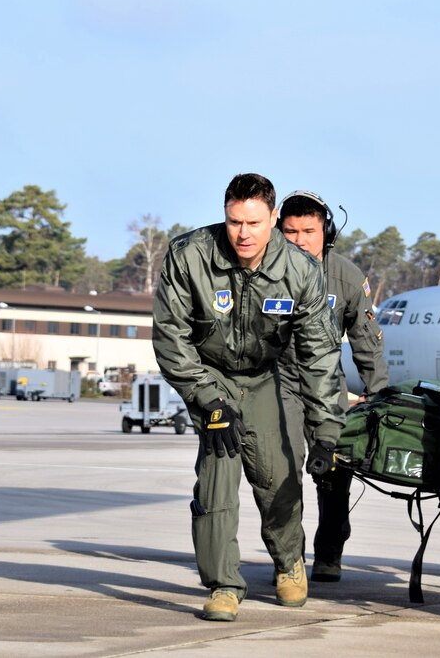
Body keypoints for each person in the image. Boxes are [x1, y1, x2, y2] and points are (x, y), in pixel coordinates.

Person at [153, 173, 344, 622]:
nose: (243, 233)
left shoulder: (300, 270)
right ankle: (223, 584)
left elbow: (319, 353)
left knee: (277, 476)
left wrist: (326, 430)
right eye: (235, 221)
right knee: (217, 477)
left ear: (273, 218)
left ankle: (289, 562)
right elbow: (170, 336)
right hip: (209, 376)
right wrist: (208, 399)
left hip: (263, 378)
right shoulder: (189, 255)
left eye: (254, 223)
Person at [276, 190, 389, 582]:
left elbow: (366, 341)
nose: (299, 240)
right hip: (278, 383)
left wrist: (378, 394)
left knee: (334, 473)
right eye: (290, 232)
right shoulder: (263, 271)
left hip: (326, 384)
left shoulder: (346, 277)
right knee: (281, 471)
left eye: (309, 231)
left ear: (327, 232)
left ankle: (329, 553)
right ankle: (288, 558)